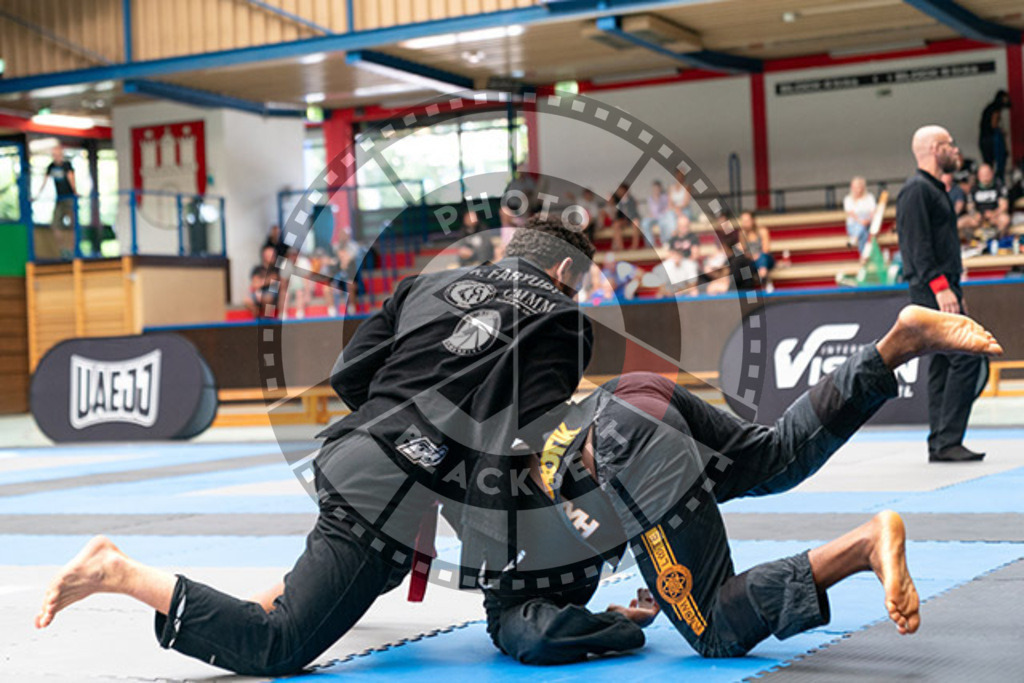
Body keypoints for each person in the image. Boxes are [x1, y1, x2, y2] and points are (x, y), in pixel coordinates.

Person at [35, 216, 597, 678]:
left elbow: (350, 375)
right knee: (277, 646)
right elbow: (530, 434)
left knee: (382, 559)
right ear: (565, 270)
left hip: (358, 454)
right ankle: (119, 572)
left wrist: (405, 439)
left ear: (509, 252)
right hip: (397, 486)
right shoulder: (565, 318)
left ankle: (277, 597)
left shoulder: (424, 284)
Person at [483, 305, 1002, 665]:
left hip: (623, 448)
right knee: (777, 458)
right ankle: (898, 343)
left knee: (712, 628)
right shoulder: (507, 514)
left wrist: (618, 626)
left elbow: (539, 638)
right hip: (629, 396)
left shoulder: (505, 604)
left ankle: (861, 548)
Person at [896, 125, 987, 462]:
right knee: (965, 359)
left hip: (943, 287)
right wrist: (940, 287)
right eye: (950, 145)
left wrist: (954, 291)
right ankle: (947, 440)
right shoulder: (916, 190)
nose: (955, 150)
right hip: (931, 289)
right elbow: (917, 246)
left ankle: (940, 442)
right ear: (936, 149)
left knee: (941, 363)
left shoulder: (935, 190)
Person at [33, 144, 76, 259]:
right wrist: (37, 196)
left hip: (69, 198)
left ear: (61, 155)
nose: (56, 156)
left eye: (58, 154)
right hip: (59, 199)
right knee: (55, 224)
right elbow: (44, 181)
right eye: (54, 154)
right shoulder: (51, 166)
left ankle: (73, 249)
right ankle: (63, 249)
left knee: (73, 223)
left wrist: (75, 192)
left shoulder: (67, 165)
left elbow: (71, 178)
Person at [968, 163, 1011, 243]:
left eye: (987, 174)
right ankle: (971, 243)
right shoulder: (973, 189)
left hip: (995, 216)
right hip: (979, 218)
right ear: (978, 176)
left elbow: (1004, 206)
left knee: (1005, 219)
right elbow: (970, 206)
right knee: (960, 222)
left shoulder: (999, 186)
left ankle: (997, 241)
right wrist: (974, 214)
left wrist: (994, 213)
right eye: (982, 174)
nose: (985, 176)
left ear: (992, 174)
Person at [978, 90, 1010, 180]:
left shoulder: (990, 108)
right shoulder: (996, 108)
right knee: (997, 163)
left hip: (984, 139)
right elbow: (994, 125)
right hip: (990, 139)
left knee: (989, 164)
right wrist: (1001, 132)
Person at [843, 176, 877, 255]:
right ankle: (863, 256)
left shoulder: (869, 197)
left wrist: (868, 221)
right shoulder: (847, 199)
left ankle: (854, 239)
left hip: (868, 223)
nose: (858, 190)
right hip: (853, 224)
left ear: (863, 187)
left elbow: (873, 212)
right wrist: (861, 222)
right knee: (863, 232)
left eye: (859, 187)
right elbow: (851, 214)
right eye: (855, 187)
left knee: (863, 230)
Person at [739, 211, 774, 285]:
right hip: (750, 260)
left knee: (763, 258)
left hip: (765, 259)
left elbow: (766, 249)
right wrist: (751, 256)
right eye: (743, 221)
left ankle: (763, 278)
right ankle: (762, 279)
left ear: (752, 220)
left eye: (747, 221)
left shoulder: (762, 231)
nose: (745, 224)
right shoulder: (742, 234)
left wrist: (756, 256)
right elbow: (743, 251)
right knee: (741, 261)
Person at [641, 180, 673, 248]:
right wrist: (649, 215)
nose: (656, 190)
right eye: (654, 189)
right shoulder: (650, 198)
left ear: (660, 188)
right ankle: (650, 244)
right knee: (645, 222)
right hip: (654, 218)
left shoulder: (664, 197)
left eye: (657, 189)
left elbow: (668, 208)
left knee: (663, 223)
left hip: (662, 217)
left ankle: (664, 242)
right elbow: (651, 211)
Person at [608, 183, 640, 251]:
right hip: (623, 220)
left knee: (636, 223)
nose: (620, 192)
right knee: (616, 225)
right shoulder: (617, 199)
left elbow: (633, 212)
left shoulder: (631, 199)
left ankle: (634, 246)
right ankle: (620, 247)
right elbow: (612, 208)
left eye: (621, 190)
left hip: (631, 219)